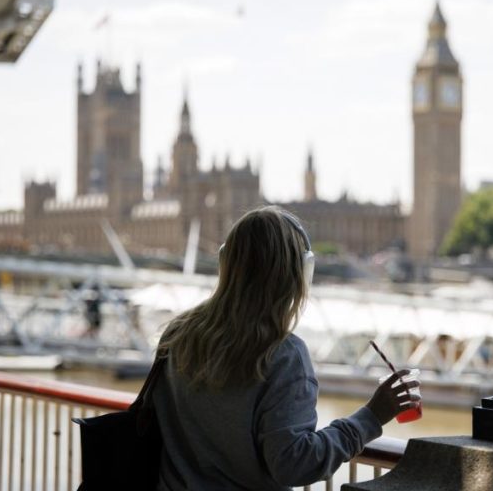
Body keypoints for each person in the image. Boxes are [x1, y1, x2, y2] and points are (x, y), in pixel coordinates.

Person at [153, 206, 420, 490]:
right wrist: (371, 417)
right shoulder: (282, 355)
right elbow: (294, 464)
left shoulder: (178, 333)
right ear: (300, 274)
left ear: (225, 263)